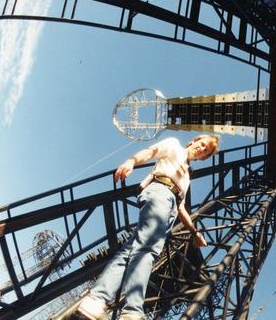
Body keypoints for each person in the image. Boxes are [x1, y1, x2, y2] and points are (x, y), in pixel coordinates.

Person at [75, 134, 221, 320]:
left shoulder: (186, 177)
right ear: (194, 141)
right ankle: (132, 311)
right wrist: (131, 161)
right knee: (147, 249)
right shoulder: (174, 146)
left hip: (171, 209)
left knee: (133, 249)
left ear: (203, 158)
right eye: (202, 144)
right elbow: (151, 152)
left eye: (206, 151)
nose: (202, 149)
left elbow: (181, 208)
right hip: (160, 192)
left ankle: (96, 300)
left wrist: (195, 233)